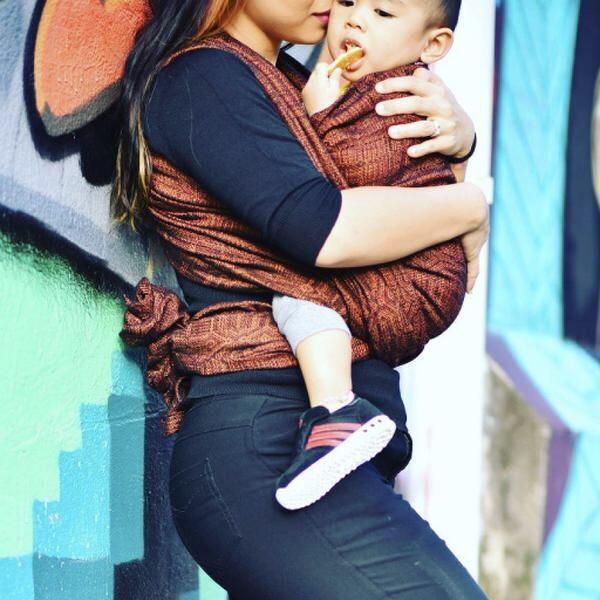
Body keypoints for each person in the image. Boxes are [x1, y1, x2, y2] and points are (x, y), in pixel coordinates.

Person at [113, 0, 490, 597]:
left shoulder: (302, 85)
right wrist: (471, 205)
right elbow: (324, 227)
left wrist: (458, 147)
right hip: (266, 438)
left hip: (323, 446)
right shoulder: (205, 77)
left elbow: (404, 202)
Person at [271, 0, 473, 509]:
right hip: (415, 273)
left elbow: (345, 187)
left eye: (382, 12)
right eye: (347, 2)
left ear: (433, 45)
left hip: (415, 279)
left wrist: (320, 117)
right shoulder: (364, 85)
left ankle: (335, 411)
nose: (355, 18)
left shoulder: (396, 98)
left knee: (294, 294)